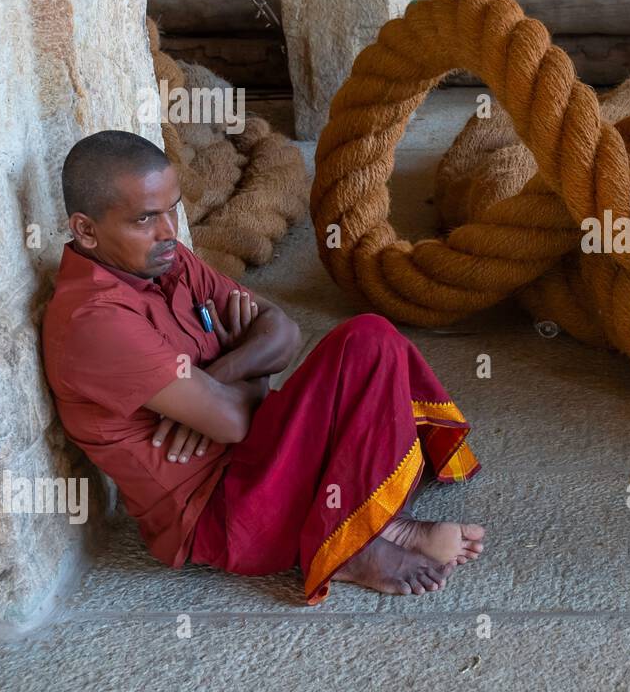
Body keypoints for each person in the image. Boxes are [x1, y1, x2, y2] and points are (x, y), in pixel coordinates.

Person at [41, 130, 485, 603]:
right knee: (367, 344)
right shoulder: (95, 319)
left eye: (172, 208)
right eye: (145, 218)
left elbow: (283, 331)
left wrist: (219, 377)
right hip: (225, 512)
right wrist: (254, 372)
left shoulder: (163, 261)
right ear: (86, 230)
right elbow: (232, 422)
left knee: (373, 346)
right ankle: (357, 544)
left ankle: (375, 522)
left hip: (260, 450)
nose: (170, 231)